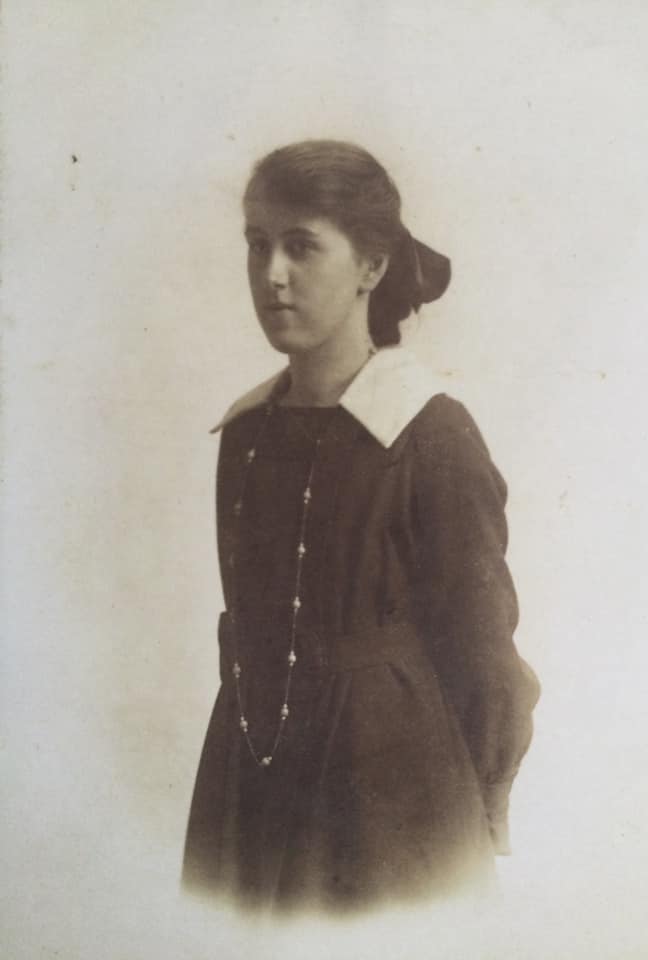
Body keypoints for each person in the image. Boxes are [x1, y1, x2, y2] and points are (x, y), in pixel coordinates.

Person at [182, 139, 540, 914]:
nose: (272, 274)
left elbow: (485, 657)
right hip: (247, 777)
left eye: (301, 246)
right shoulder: (246, 434)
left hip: (389, 798)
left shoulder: (430, 433)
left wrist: (477, 803)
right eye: (257, 245)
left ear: (372, 267)